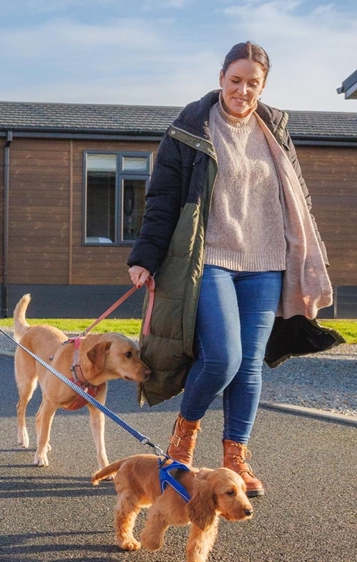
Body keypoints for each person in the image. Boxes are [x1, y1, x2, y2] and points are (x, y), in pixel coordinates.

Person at [127, 41, 341, 497]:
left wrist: (311, 255)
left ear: (264, 86)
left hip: (266, 263)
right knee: (223, 357)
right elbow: (163, 199)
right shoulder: (188, 130)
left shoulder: (275, 130)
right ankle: (183, 439)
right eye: (236, 80)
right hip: (211, 261)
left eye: (253, 83)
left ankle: (235, 459)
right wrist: (145, 256)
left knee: (249, 367)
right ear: (221, 77)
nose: (243, 91)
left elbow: (298, 199)